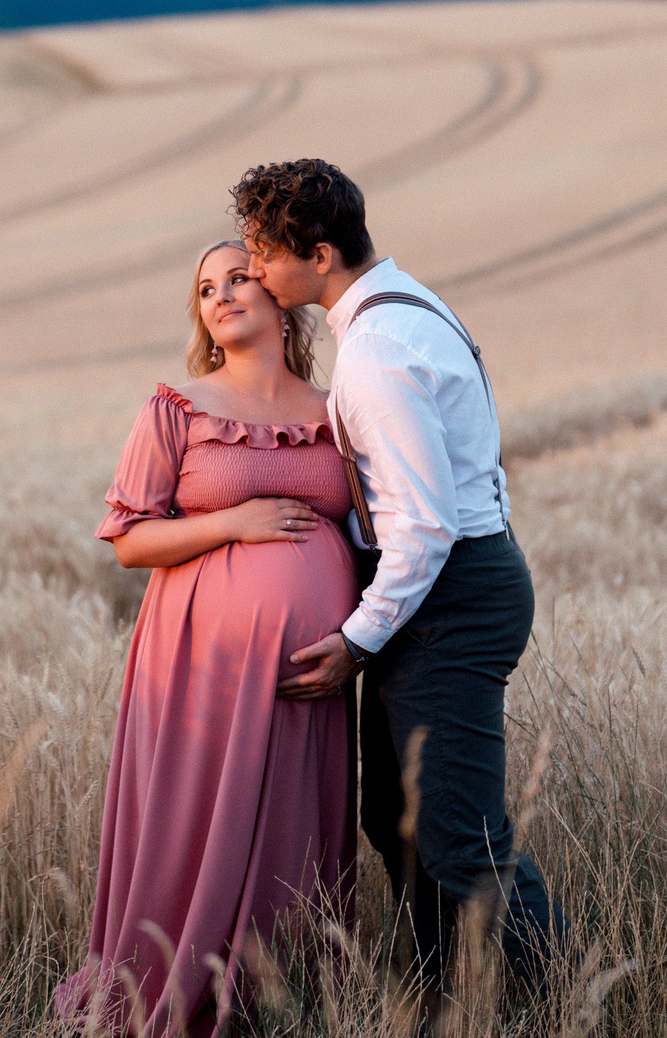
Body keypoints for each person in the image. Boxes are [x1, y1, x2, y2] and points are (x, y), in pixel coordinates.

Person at [235, 158, 567, 999]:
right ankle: (439, 1001)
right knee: (398, 821)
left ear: (316, 255)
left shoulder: (377, 353)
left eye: (262, 253)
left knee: (461, 839)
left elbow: (423, 527)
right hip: (447, 588)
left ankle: (576, 998)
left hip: (447, 596)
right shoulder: (402, 303)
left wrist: (355, 639)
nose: (252, 271)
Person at [56, 241, 360, 1036]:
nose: (221, 293)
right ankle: (175, 986)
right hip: (202, 666)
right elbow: (128, 540)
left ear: (278, 293)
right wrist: (235, 522)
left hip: (311, 676)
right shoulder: (176, 406)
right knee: (197, 827)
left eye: (237, 277)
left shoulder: (336, 410)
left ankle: (275, 999)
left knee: (291, 831)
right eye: (205, 288)